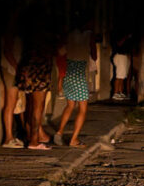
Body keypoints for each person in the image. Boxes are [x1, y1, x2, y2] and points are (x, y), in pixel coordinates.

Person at [53, 12, 96, 148]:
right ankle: (74, 139)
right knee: (83, 108)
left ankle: (59, 132)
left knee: (70, 105)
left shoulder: (69, 34)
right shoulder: (89, 35)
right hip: (80, 73)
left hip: (69, 72)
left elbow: (60, 51)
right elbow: (94, 55)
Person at [15, 12, 55, 150]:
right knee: (38, 107)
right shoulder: (44, 36)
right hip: (40, 69)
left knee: (31, 105)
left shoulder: (28, 34)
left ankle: (32, 136)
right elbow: (53, 51)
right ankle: (34, 140)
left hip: (28, 68)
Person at [0, 7, 24, 148]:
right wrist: (17, 68)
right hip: (11, 70)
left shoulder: (12, 30)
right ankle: (8, 137)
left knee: (13, 103)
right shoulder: (10, 31)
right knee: (10, 104)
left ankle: (11, 136)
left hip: (12, 69)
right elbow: (8, 51)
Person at [111, 31, 132, 100]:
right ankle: (115, 93)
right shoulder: (118, 36)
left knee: (122, 76)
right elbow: (119, 44)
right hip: (119, 55)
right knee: (119, 76)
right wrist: (126, 37)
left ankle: (120, 92)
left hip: (125, 56)